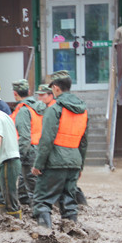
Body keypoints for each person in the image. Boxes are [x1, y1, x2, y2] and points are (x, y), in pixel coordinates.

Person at [31, 71, 88, 228]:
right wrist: (80, 166)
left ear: (56, 88)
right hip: (74, 161)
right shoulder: (83, 110)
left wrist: (38, 164)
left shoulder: (54, 109)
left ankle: (44, 234)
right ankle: (72, 231)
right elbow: (84, 142)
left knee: (42, 200)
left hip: (55, 162)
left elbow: (46, 139)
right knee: (69, 200)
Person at [10, 79, 47, 206]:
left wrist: (18, 157)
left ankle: (40, 214)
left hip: (30, 152)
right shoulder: (40, 107)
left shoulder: (23, 110)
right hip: (41, 149)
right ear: (29, 91)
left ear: (15, 93)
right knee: (36, 185)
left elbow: (25, 137)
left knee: (33, 189)